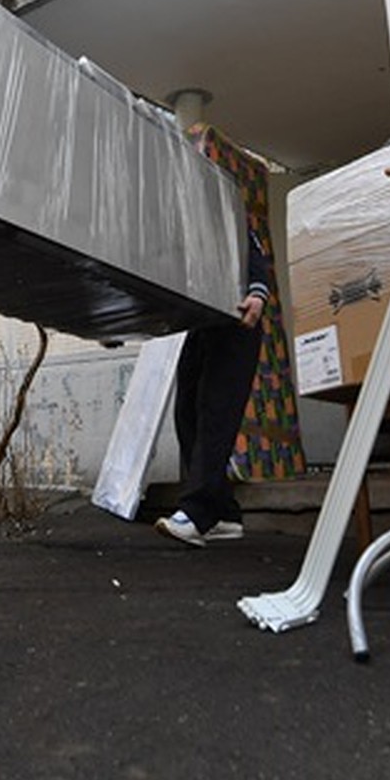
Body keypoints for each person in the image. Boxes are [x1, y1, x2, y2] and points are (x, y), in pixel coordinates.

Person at [155, 228, 269, 546]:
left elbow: (254, 255)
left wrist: (258, 295)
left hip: (236, 319)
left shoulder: (224, 212)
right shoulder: (176, 225)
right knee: (186, 413)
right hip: (200, 323)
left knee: (216, 414)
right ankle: (224, 515)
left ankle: (197, 511)